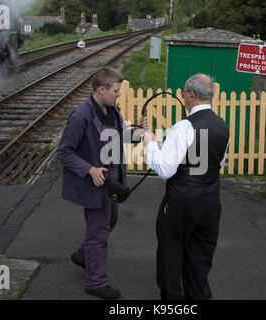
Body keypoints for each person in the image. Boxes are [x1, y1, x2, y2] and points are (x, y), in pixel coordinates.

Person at [57, 66, 146, 300]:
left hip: (112, 182)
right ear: (101, 90)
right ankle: (95, 282)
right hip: (95, 183)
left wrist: (136, 132)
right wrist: (89, 169)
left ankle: (82, 255)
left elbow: (116, 134)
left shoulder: (111, 110)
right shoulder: (81, 115)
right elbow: (64, 152)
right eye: (116, 91)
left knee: (111, 220)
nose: (119, 95)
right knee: (98, 232)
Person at [143, 74, 229, 300]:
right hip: (210, 201)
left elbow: (164, 169)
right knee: (200, 260)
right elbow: (217, 162)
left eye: (184, 94)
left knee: (171, 256)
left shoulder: (183, 127)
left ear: (191, 95)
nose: (183, 98)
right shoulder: (222, 125)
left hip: (181, 202)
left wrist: (151, 143)